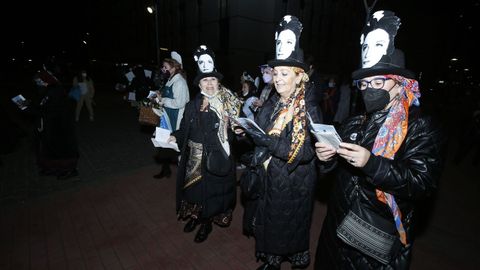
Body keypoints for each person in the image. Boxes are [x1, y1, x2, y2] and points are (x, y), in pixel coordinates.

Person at [314, 10, 445, 269]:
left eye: (378, 81)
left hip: (373, 236)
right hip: (336, 227)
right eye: (364, 84)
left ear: (400, 84)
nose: (368, 89)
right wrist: (326, 159)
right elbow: (334, 172)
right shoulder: (356, 120)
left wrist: (371, 164)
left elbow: (422, 183)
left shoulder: (421, 127)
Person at [241, 15, 322, 270]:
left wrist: (265, 141)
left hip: (294, 181)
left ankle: (292, 257)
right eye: (275, 73)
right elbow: (260, 130)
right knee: (269, 221)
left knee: (289, 223)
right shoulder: (274, 102)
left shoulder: (310, 108)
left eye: (283, 73)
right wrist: (244, 131)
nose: (277, 78)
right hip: (270, 177)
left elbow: (308, 152)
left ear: (299, 77)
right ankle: (271, 260)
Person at [170, 45, 243, 243]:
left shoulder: (230, 103)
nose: (209, 84)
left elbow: (240, 134)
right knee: (194, 191)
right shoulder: (192, 105)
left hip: (218, 158)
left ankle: (206, 223)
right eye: (205, 80)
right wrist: (173, 136)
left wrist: (237, 131)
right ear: (199, 84)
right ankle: (195, 216)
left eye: (212, 79)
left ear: (218, 82)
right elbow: (184, 128)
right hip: (195, 159)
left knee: (211, 195)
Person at [33, 67, 79, 180]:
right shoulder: (47, 90)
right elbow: (44, 106)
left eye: (40, 81)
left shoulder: (55, 91)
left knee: (62, 149)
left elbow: (51, 109)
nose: (38, 83)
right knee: (50, 148)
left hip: (60, 126)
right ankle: (52, 168)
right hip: (51, 126)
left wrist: (29, 109)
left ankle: (69, 170)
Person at [153, 51, 190, 179]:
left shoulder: (179, 82)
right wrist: (159, 97)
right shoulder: (170, 79)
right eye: (163, 67)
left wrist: (163, 100)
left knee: (177, 148)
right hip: (167, 117)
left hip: (175, 119)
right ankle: (166, 170)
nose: (163, 69)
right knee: (164, 145)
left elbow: (180, 103)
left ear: (174, 67)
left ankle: (185, 176)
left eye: (166, 67)